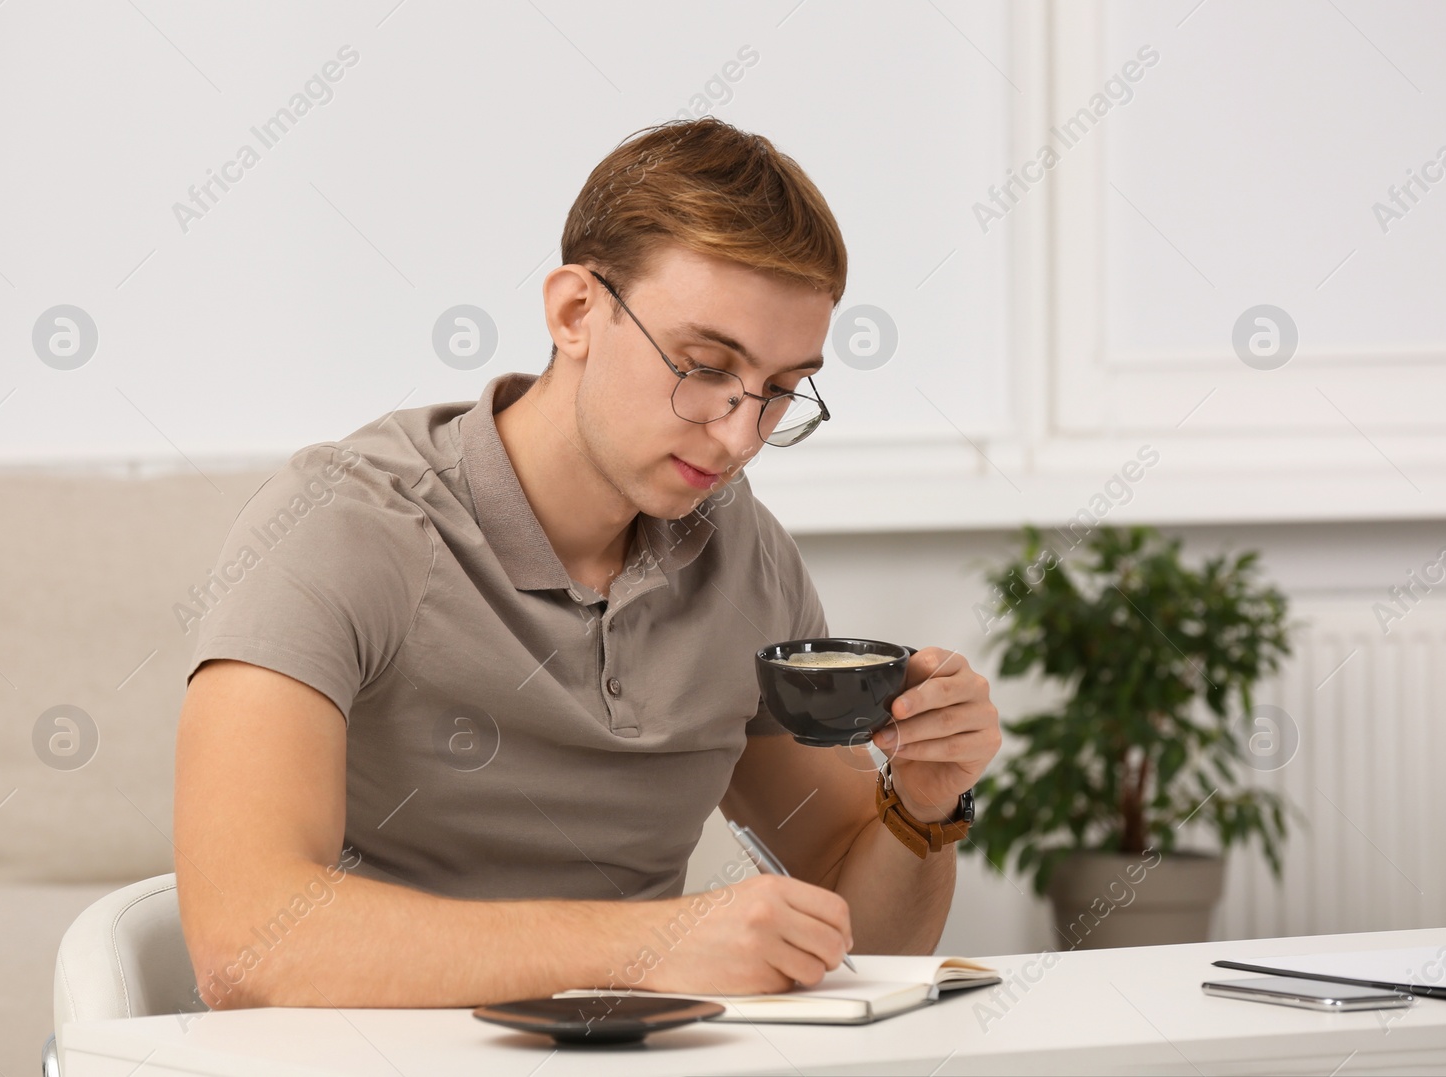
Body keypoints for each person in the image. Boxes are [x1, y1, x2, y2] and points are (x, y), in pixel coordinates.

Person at [173, 116, 1001, 1010]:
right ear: (576, 312)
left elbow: (858, 934)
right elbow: (247, 943)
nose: (738, 434)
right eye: (703, 365)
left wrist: (921, 807)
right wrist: (657, 944)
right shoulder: (344, 526)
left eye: (781, 390)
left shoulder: (745, 557)